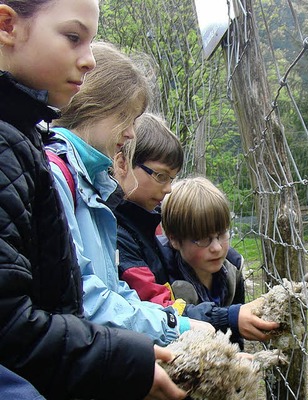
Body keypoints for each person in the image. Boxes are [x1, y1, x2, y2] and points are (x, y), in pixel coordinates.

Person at [0, 1, 186, 399]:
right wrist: (163, 336)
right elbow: (64, 305)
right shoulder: (46, 165)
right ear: (8, 25)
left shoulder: (28, 146)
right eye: (73, 37)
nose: (87, 60)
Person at [46, 41, 212, 347]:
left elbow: (112, 290)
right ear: (96, 103)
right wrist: (178, 329)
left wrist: (176, 323)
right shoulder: (57, 178)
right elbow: (87, 301)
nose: (132, 133)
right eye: (127, 116)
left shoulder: (90, 185)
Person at [113, 113, 279, 348]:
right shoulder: (119, 230)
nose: (169, 189)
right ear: (122, 163)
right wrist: (228, 318)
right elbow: (156, 305)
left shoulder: (232, 266)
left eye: (172, 178)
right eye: (161, 176)